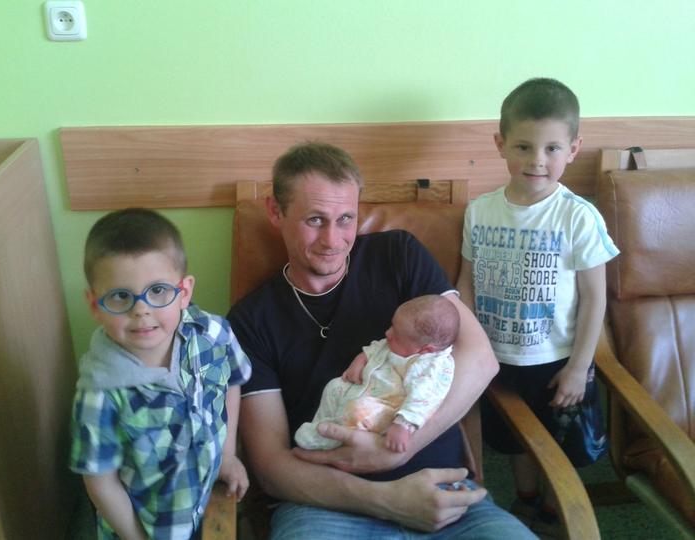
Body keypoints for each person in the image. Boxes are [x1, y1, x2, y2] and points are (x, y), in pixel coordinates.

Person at [228, 141, 536, 539]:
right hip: (326, 507)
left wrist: (396, 450)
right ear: (276, 211)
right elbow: (271, 467)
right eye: (315, 220)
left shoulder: (398, 255)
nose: (333, 240)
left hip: (444, 495)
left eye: (346, 219)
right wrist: (388, 499)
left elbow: (480, 359)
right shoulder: (250, 321)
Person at [456, 78, 620, 535]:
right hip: (497, 357)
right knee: (515, 441)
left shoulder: (578, 216)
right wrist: (470, 347)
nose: (537, 161)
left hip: (558, 360)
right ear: (501, 144)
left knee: (560, 445)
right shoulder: (479, 211)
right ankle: (526, 498)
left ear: (573, 149)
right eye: (524, 147)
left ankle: (552, 508)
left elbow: (595, 298)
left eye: (551, 148)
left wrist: (579, 367)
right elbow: (466, 281)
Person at [69, 208, 251, 540]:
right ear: (95, 305)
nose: (142, 310)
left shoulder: (213, 334)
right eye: (121, 296)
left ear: (184, 292)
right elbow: (101, 483)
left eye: (157, 291)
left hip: (205, 500)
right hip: (147, 529)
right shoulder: (99, 394)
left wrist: (227, 455)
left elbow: (231, 382)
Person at [295, 294, 459, 453]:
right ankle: (321, 423)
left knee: (358, 411)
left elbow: (424, 398)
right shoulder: (402, 343)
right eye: (392, 326)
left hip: (387, 407)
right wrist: (360, 360)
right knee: (334, 386)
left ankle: (331, 438)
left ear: (425, 350)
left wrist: (403, 425)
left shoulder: (432, 367)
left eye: (396, 335)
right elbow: (378, 347)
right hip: (364, 389)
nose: (388, 333)